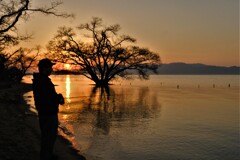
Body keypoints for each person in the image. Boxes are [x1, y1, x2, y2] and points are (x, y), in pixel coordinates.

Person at [32, 58, 64, 160]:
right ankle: (46, 157)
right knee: (49, 137)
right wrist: (58, 99)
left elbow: (47, 96)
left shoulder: (41, 79)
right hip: (48, 113)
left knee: (48, 136)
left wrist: (57, 97)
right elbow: (46, 99)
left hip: (45, 112)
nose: (51, 69)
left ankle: (47, 155)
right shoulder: (43, 81)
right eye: (50, 67)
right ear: (45, 68)